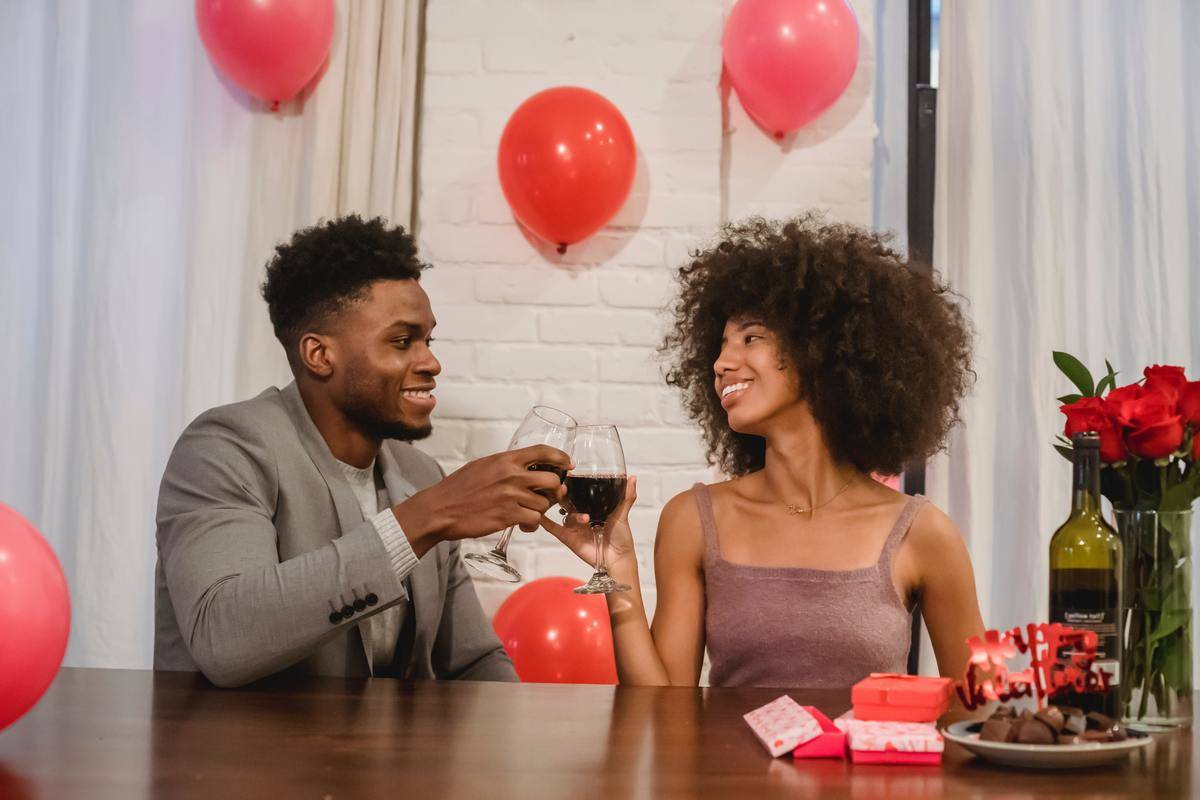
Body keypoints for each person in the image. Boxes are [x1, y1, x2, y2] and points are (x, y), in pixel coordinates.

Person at [545, 215, 985, 687]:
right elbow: (663, 711)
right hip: (725, 765)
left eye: (751, 338)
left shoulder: (922, 533)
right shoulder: (692, 519)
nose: (721, 363)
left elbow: (982, 707)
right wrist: (617, 572)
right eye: (721, 345)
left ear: (820, 350)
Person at [154, 215, 570, 688]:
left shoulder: (419, 473)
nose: (431, 362)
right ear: (319, 354)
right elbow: (223, 637)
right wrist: (430, 515)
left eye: (428, 340)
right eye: (401, 341)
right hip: (240, 761)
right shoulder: (224, 448)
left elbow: (473, 662)